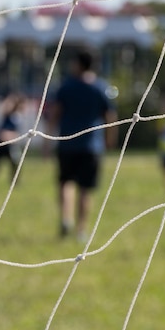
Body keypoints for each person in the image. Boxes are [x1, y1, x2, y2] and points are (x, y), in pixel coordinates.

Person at [48, 49, 117, 241]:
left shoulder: (66, 86)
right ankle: (81, 229)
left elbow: (55, 114)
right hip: (92, 146)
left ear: (79, 64)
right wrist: (110, 138)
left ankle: (66, 219)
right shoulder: (101, 87)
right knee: (86, 189)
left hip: (67, 145)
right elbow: (110, 116)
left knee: (66, 183)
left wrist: (47, 140)